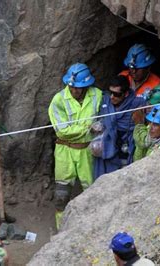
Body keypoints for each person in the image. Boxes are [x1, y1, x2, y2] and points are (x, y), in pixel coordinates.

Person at [48, 63, 102, 229]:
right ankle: (61, 229)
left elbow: (104, 118)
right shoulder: (58, 100)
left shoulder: (97, 95)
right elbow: (62, 131)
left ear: (87, 85)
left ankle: (94, 226)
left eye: (78, 87)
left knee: (92, 190)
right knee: (61, 195)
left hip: (87, 151)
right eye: (71, 86)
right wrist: (87, 127)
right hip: (65, 150)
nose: (74, 90)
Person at [93, 76, 146, 179]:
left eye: (117, 94)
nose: (112, 97)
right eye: (110, 92)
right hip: (107, 146)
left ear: (126, 94)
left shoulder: (137, 103)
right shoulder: (105, 101)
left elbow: (144, 125)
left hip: (127, 146)